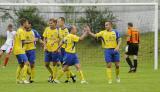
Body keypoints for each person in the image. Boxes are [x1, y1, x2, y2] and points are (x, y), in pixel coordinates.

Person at [13, 18, 33, 84]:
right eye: (27, 23)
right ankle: (24, 79)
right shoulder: (21, 31)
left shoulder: (18, 30)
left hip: (16, 50)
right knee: (27, 63)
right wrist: (32, 41)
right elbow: (23, 42)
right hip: (20, 50)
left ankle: (17, 79)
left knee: (21, 65)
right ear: (24, 24)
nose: (28, 24)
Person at [57, 17, 76, 83]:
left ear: (63, 22)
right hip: (62, 49)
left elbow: (70, 39)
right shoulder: (59, 29)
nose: (58, 23)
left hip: (67, 50)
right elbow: (60, 39)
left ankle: (68, 79)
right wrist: (59, 48)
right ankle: (72, 76)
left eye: (59, 22)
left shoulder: (67, 30)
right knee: (63, 64)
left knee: (65, 64)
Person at [43, 18, 60, 82]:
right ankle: (53, 74)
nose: (50, 24)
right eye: (49, 23)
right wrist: (44, 46)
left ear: (55, 23)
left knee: (54, 64)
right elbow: (44, 38)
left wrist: (55, 42)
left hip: (55, 50)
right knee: (46, 64)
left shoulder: (57, 30)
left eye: (51, 23)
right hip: (47, 50)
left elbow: (59, 39)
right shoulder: (47, 29)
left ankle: (54, 78)